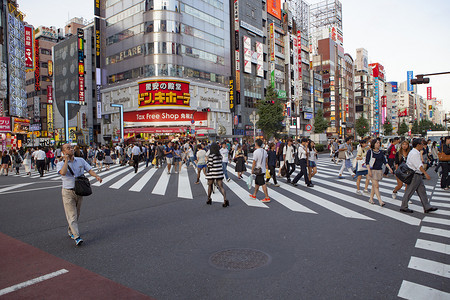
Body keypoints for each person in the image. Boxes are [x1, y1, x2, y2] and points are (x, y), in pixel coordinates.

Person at [57, 143, 102, 246]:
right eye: (68, 148)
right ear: (63, 152)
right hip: (67, 191)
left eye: (71, 147)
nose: (71, 149)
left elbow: (89, 169)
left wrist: (96, 176)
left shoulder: (80, 160)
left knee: (76, 213)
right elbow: (63, 173)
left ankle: (70, 230)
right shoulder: (60, 163)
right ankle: (77, 237)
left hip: (79, 190)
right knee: (72, 215)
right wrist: (66, 160)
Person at [400, 138, 439, 213]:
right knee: (409, 191)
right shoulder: (414, 153)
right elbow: (419, 166)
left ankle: (427, 206)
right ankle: (404, 206)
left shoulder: (415, 152)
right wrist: (426, 174)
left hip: (417, 174)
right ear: (418, 145)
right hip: (415, 174)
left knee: (422, 191)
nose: (423, 145)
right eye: (422, 144)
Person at [366, 139, 393, 207]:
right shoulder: (370, 151)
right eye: (376, 143)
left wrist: (389, 168)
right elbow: (367, 162)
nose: (378, 144)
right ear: (373, 144)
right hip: (372, 170)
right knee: (376, 186)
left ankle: (371, 199)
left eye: (378, 143)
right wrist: (369, 170)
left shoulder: (380, 152)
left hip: (379, 170)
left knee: (374, 186)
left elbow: (385, 161)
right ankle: (380, 201)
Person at [205, 142, 228, 207]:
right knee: (221, 186)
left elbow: (210, 165)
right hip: (219, 172)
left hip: (212, 173)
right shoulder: (220, 155)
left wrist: (207, 162)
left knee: (210, 185)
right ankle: (225, 200)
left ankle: (209, 198)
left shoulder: (211, 156)